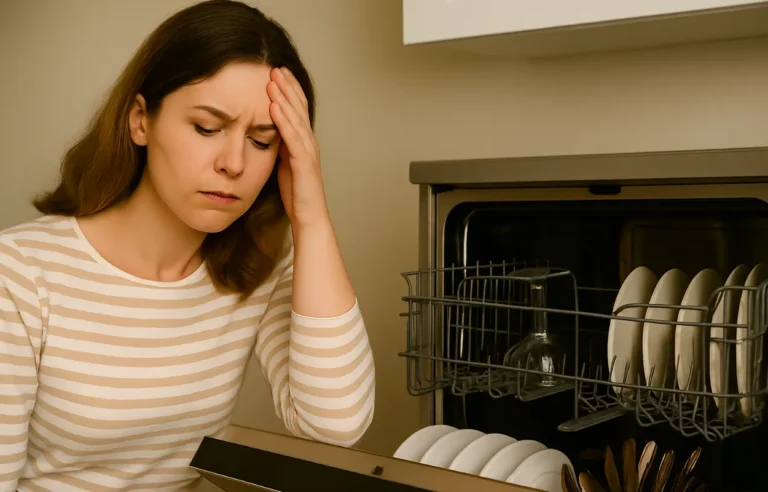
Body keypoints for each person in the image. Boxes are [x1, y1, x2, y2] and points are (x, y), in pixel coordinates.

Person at [0, 0, 375, 490]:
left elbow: (335, 426)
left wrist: (311, 215)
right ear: (140, 120)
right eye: (207, 128)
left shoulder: (257, 267)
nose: (234, 163)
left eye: (262, 141)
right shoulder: (20, 273)